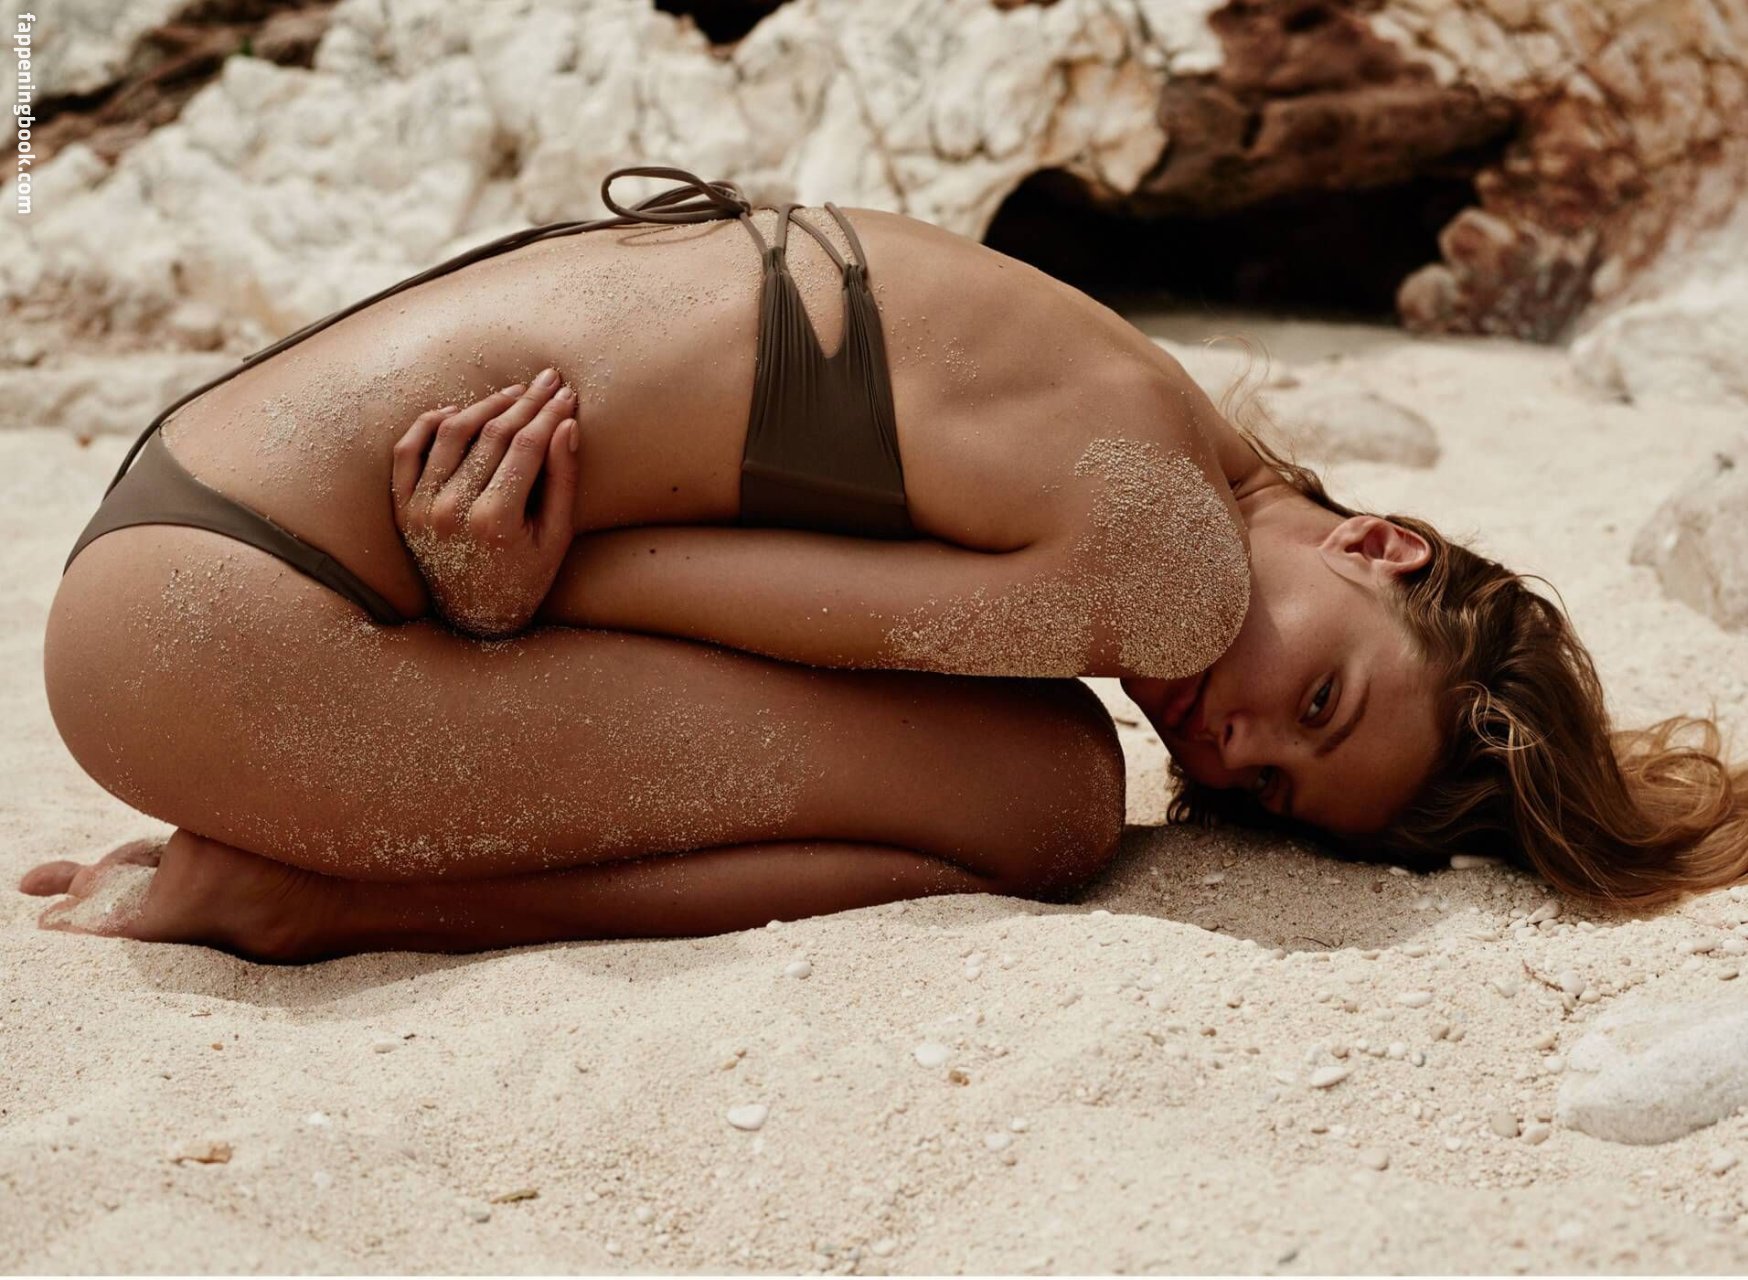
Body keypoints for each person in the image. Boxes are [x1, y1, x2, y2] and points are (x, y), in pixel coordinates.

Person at [18, 169, 1746, 962]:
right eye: (1322, 700)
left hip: (184, 545)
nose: (1229, 746)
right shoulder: (1166, 561)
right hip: (226, 615)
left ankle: (308, 865)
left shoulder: (1120, 396)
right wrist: (494, 595)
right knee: (1050, 804)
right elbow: (608, 578)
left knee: (1036, 761)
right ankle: (317, 901)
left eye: (1276, 792)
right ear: (1377, 540)